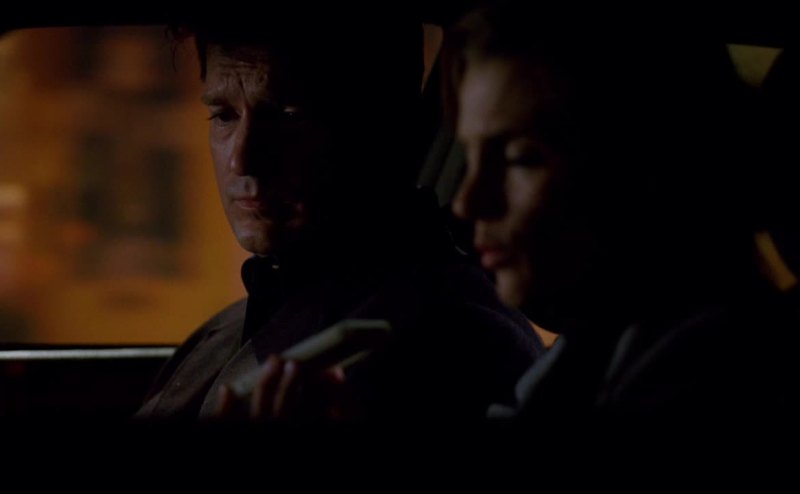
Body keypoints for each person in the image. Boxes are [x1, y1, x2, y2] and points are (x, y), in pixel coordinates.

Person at [135, 7, 543, 422]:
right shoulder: (228, 328)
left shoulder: (455, 341)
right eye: (224, 115)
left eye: (287, 116)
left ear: (380, 125)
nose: (242, 159)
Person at [445, 3, 798, 418]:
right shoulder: (593, 355)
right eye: (470, 155)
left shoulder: (720, 384)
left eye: (521, 158)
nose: (467, 202)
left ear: (649, 166)